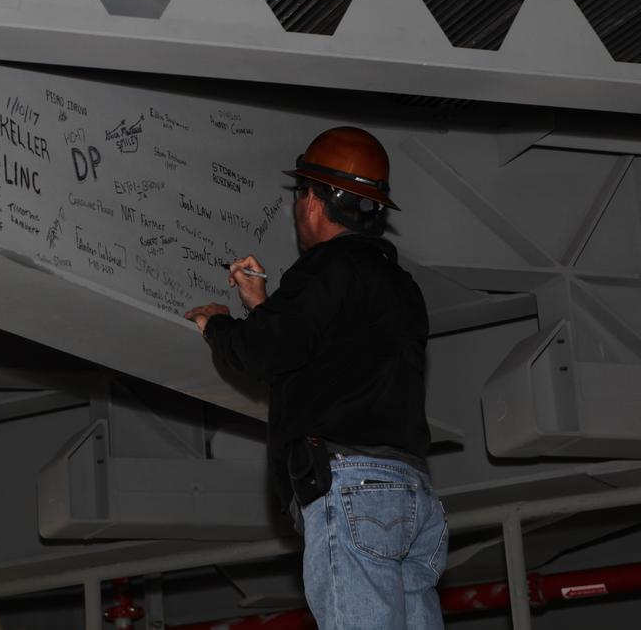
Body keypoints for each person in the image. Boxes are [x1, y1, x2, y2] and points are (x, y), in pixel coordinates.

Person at [185, 126, 447, 629]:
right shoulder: (399, 286)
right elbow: (323, 357)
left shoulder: (325, 270)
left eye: (299, 195)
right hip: (412, 497)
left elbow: (263, 354)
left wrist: (218, 323)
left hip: (353, 490)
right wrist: (263, 305)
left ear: (311, 201)